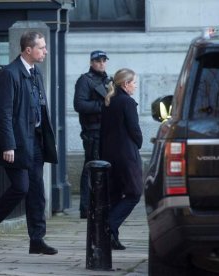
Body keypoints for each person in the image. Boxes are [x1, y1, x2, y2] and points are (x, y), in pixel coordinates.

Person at [0, 31, 58, 255]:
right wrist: (8, 145)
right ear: (28, 50)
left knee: (37, 191)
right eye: (41, 47)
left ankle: (37, 240)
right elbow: (3, 113)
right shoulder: (9, 74)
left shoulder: (35, 72)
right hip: (18, 142)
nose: (45, 51)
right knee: (21, 187)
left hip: (36, 142)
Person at [99, 68, 143, 250]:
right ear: (125, 84)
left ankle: (112, 238)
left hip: (109, 155)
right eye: (133, 83)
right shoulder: (128, 102)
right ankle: (108, 225)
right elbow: (134, 130)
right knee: (134, 194)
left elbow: (102, 131)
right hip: (126, 156)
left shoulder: (109, 101)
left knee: (115, 196)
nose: (135, 86)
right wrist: (139, 143)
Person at [73, 50, 111, 219]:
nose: (101, 63)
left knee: (104, 168)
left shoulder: (108, 80)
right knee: (90, 167)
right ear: (91, 62)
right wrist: (102, 106)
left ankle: (100, 205)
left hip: (105, 130)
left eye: (104, 60)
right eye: (98, 61)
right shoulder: (85, 80)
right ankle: (86, 208)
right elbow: (80, 105)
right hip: (92, 131)